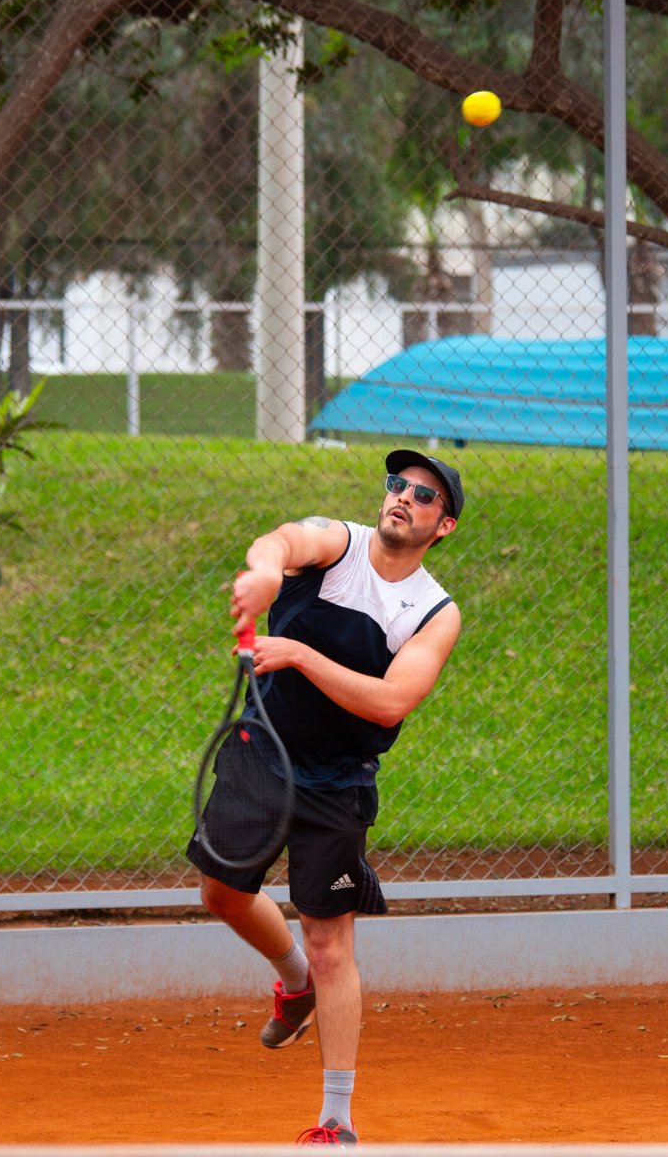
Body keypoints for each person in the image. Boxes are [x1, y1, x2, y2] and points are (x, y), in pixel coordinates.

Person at [187, 449, 465, 1148]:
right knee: (221, 894)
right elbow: (282, 541)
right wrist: (263, 572)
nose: (402, 497)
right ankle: (294, 982)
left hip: (339, 781)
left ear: (444, 526)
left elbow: (391, 702)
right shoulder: (337, 545)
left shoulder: (434, 613)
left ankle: (337, 1121)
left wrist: (300, 655)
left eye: (424, 496)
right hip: (262, 751)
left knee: (331, 943)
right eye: (398, 484)